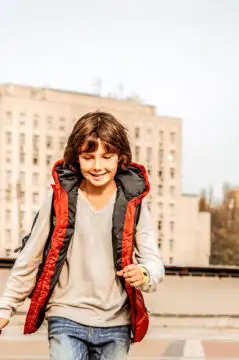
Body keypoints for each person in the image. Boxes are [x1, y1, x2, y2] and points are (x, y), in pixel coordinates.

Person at [0, 111, 165, 360]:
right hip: (66, 317)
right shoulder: (59, 200)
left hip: (116, 324)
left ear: (121, 158)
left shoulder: (134, 204)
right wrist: (5, 308)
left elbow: (154, 263)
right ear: (77, 159)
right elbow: (30, 258)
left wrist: (143, 274)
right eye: (88, 157)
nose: (97, 166)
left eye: (107, 157)